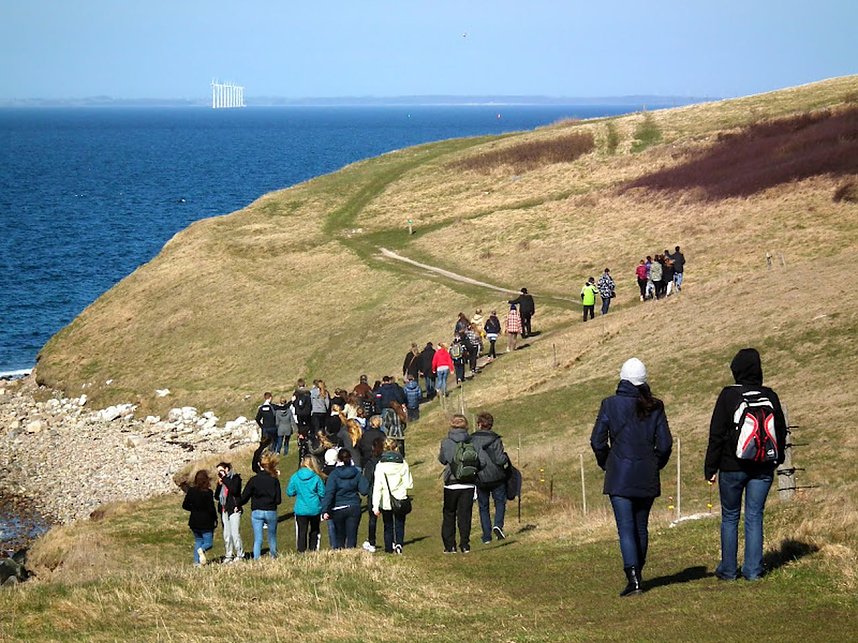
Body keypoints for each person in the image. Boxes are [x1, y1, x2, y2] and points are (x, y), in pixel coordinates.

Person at [591, 358, 673, 596]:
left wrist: (607, 462)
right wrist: (656, 464)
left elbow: (597, 440)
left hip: (619, 475)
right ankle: (639, 574)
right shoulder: (655, 406)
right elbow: (665, 444)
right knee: (640, 527)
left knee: (626, 529)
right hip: (646, 473)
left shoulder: (610, 404)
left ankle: (633, 578)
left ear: (622, 378)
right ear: (644, 380)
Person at [704, 348, 787, 581]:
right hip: (763, 467)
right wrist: (776, 460)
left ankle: (728, 570)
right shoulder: (770, 395)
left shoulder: (728, 396)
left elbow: (716, 435)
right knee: (754, 516)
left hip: (732, 467)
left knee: (730, 517)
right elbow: (780, 431)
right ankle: (753, 570)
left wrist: (710, 468)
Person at [438, 414, 478, 553]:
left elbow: (443, 460)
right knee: (465, 515)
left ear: (452, 425)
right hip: (469, 482)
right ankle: (465, 545)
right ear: (466, 425)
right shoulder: (472, 441)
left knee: (449, 513)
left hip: (451, 482)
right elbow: (481, 461)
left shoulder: (446, 442)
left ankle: (450, 546)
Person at [470, 412, 510, 544]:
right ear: (491, 425)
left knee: (483, 506)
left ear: (479, 424)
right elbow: (500, 460)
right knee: (499, 502)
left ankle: (486, 536)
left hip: (480, 477)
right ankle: (498, 524)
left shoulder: (472, 439)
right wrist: (506, 457)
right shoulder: (496, 439)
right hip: (497, 476)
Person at [373, 438, 414, 554]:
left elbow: (377, 487)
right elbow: (409, 483)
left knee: (388, 524)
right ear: (396, 448)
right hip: (400, 497)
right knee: (400, 523)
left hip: (386, 499)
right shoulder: (403, 463)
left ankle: (388, 547)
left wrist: (375, 505)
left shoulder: (380, 465)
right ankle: (399, 544)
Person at [322, 449, 370, 549]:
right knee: (352, 537)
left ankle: (342, 557)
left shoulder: (334, 475)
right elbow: (364, 490)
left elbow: (329, 492)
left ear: (338, 460)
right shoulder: (356, 472)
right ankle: (351, 556)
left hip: (338, 507)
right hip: (353, 506)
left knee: (340, 537)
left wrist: (325, 509)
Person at [238, 452, 282, 559]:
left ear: (259, 465)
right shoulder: (274, 480)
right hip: (270, 510)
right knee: (272, 537)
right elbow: (278, 500)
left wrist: (238, 504)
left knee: (258, 538)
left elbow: (244, 497)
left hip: (257, 511)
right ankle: (273, 556)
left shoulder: (253, 480)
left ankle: (257, 559)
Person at [286, 456, 326, 553]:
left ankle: (301, 551)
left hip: (301, 508)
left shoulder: (295, 476)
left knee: (301, 531)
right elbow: (322, 493)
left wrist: (298, 491)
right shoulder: (316, 477)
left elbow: (289, 492)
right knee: (314, 530)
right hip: (314, 507)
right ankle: (313, 549)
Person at [182, 470, 218, 566]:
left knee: (198, 540)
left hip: (194, 521)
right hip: (206, 522)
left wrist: (194, 509)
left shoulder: (191, 491)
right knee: (208, 543)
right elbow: (211, 508)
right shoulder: (208, 493)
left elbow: (185, 505)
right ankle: (201, 550)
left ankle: (196, 562)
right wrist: (215, 518)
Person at [215, 462, 244, 563]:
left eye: (221, 471)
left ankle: (240, 554)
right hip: (224, 509)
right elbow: (216, 496)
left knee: (235, 533)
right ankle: (229, 554)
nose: (219, 473)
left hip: (234, 508)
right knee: (227, 534)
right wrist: (219, 485)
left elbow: (235, 490)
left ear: (227, 469)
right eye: (218, 472)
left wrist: (225, 479)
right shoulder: (223, 481)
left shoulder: (235, 478)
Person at [361, 436, 385, 553]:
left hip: (373, 492)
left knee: (372, 519)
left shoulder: (371, 462)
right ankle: (390, 541)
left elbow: (368, 478)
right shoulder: (385, 460)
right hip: (385, 493)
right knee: (387, 518)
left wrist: (365, 491)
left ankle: (372, 542)